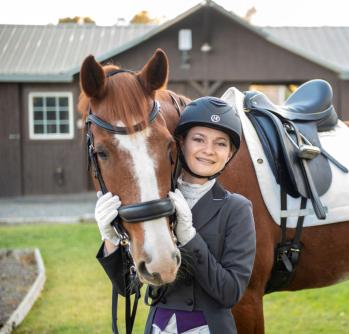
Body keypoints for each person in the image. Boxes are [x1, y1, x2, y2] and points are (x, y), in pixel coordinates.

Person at [94, 96, 256, 334]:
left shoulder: (237, 209)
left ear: (230, 154)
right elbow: (128, 288)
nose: (208, 151)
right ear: (180, 143)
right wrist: (110, 239)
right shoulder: (154, 204)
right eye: (199, 139)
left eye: (221, 144)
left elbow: (230, 292)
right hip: (160, 325)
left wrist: (189, 237)